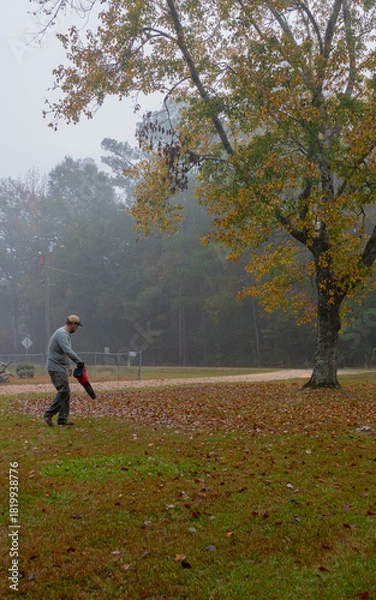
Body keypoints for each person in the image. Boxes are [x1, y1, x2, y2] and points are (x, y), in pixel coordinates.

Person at [43, 315, 84, 427]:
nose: (77, 328)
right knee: (64, 391)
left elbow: (63, 352)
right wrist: (78, 361)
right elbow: (67, 350)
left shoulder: (66, 334)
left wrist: (68, 366)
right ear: (72, 324)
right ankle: (48, 414)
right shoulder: (62, 333)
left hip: (61, 367)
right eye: (77, 326)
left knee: (66, 392)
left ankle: (62, 419)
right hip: (55, 367)